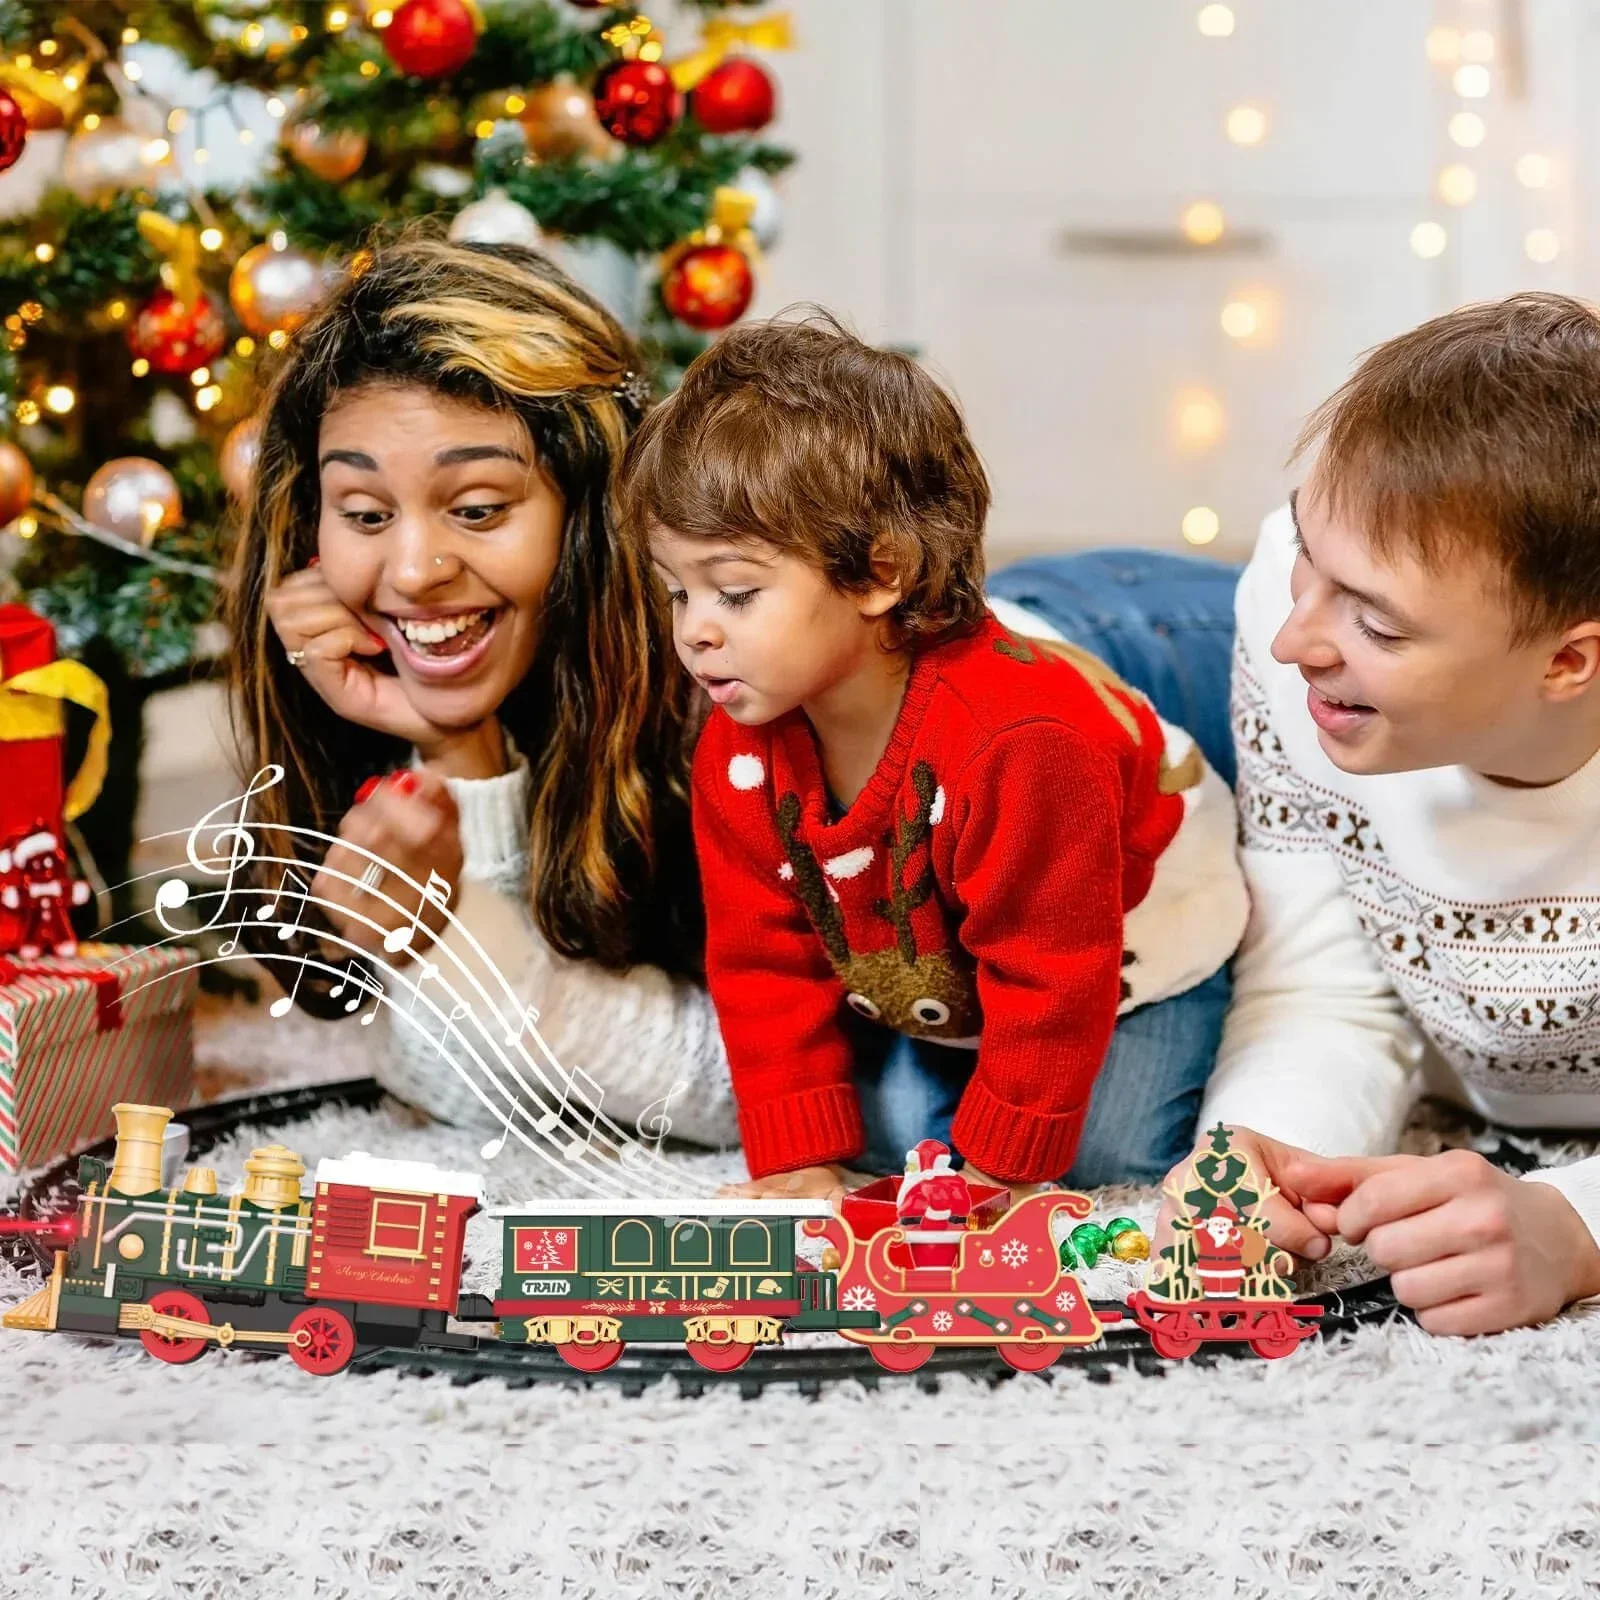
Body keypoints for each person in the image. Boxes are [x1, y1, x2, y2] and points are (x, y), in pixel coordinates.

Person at [617, 312, 1249, 1198]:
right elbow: (761, 959)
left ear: (881, 573)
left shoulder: (1019, 744)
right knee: (895, 1142)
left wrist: (997, 1174)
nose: (696, 633)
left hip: (1132, 942)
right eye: (679, 592)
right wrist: (799, 1162)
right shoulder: (741, 745)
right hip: (944, 962)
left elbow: (1052, 974)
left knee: (1094, 1163)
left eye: (736, 592)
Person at [229, 235, 738, 1147]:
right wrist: (457, 754)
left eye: (477, 509)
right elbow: (471, 1095)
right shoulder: (352, 689)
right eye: (366, 514)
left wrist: (445, 919)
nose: (416, 570)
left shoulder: (725, 678)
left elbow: (745, 1096)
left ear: (590, 511)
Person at [1177, 291, 1600, 1336]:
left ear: (1566, 660)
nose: (1293, 642)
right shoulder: (1290, 624)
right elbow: (1324, 986)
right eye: (1305, 562)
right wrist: (1258, 1149)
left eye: (1375, 622)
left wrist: (1571, 1226)